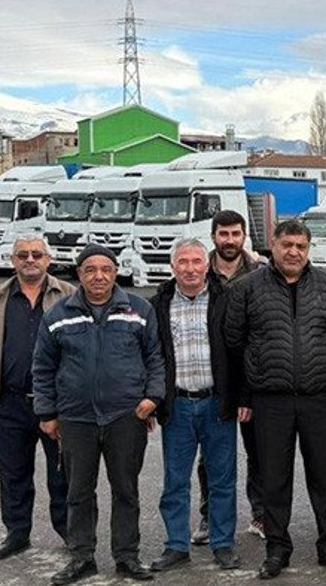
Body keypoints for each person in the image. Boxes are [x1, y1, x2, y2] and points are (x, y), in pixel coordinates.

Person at [223, 220, 326, 578]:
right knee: (274, 479)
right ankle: (277, 549)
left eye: (301, 246)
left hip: (319, 397)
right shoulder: (246, 288)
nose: (294, 252)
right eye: (287, 245)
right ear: (273, 246)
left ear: (308, 249)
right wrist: (246, 392)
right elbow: (235, 342)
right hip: (270, 399)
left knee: (324, 477)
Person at [33, 244, 165, 585]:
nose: (98, 276)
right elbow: (43, 367)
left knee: (126, 490)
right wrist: (47, 412)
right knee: (78, 491)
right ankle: (82, 557)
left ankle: (127, 556)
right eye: (90, 270)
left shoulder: (138, 310)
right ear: (79, 274)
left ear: (116, 272)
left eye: (106, 269)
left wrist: (153, 397)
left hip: (126, 416)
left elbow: (155, 357)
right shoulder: (58, 315)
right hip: (76, 418)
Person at [0, 235, 73, 561]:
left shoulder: (68, 295)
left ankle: (68, 531)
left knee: (62, 473)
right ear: (13, 260)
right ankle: (17, 533)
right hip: (7, 403)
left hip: (55, 405)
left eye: (36, 254)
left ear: (48, 259)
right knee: (13, 473)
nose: (30, 260)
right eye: (23, 255)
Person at [147, 240, 241, 573]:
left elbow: (239, 350)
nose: (190, 268)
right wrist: (153, 399)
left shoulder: (225, 299)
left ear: (207, 265)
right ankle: (176, 546)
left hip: (217, 404)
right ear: (173, 267)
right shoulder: (158, 305)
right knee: (175, 480)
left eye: (196, 261)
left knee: (222, 480)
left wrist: (241, 397)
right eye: (183, 262)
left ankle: (223, 543)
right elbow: (150, 355)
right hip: (178, 406)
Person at [194, 210, 265, 544]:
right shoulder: (199, 271)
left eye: (236, 233)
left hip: (253, 376)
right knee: (210, 456)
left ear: (244, 236)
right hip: (212, 378)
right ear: (213, 237)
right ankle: (209, 517)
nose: (230, 240)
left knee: (260, 452)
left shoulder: (262, 273)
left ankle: (261, 515)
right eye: (223, 234)